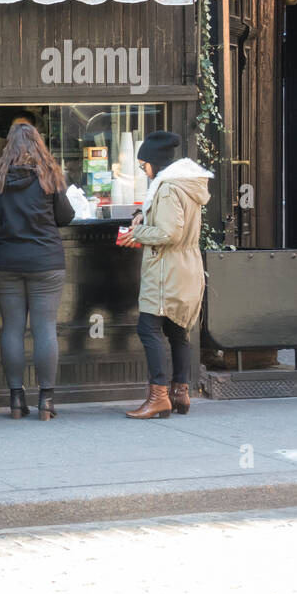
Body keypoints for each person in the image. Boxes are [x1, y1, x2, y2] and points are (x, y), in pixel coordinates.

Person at [0, 123, 75, 420]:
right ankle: (46, 401)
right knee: (44, 328)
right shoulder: (49, 176)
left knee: (13, 328)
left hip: (5, 263)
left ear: (7, 147)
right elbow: (65, 217)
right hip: (46, 262)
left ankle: (16, 400)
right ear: (38, 145)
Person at [119, 131, 212, 419]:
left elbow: (169, 232)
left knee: (148, 328)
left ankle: (158, 396)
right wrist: (143, 216)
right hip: (185, 266)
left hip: (167, 269)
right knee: (177, 331)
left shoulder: (169, 188)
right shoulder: (183, 185)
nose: (142, 170)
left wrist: (137, 232)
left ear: (155, 163)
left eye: (142, 164)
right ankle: (179, 393)